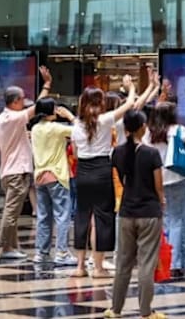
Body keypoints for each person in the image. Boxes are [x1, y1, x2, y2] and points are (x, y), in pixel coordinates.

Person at [71, 76, 137, 278]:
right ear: (100, 103)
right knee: (103, 218)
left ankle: (80, 266)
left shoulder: (76, 126)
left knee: (82, 217)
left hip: (82, 172)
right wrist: (131, 86)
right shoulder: (105, 120)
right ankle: (98, 267)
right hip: (101, 170)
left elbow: (74, 153)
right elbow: (130, 104)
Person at [104, 110, 166, 319]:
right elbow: (158, 185)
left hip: (126, 212)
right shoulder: (151, 153)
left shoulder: (117, 153)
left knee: (123, 263)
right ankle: (146, 312)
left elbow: (121, 181)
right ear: (142, 127)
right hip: (149, 212)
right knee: (146, 264)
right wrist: (161, 201)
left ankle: (115, 309)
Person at [0, 66, 53, 259]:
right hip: (15, 171)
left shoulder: (4, 118)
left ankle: (12, 246)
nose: (23, 103)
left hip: (9, 170)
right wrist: (46, 85)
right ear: (15, 101)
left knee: (13, 210)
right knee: (12, 211)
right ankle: (6, 247)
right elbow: (37, 106)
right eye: (21, 99)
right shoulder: (12, 118)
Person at [144, 101, 185, 272]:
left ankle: (167, 260)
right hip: (179, 178)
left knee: (166, 220)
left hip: (157, 180)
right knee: (183, 220)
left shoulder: (148, 134)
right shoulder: (179, 130)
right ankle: (181, 261)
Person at [30, 97, 78, 265]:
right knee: (62, 215)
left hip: (39, 176)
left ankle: (41, 252)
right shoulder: (56, 128)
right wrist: (71, 116)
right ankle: (62, 252)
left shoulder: (35, 128)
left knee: (44, 216)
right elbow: (80, 131)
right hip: (57, 175)